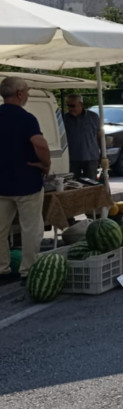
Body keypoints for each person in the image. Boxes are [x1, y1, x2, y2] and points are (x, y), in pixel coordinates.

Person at [0, 77, 51, 283]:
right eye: (27, 91)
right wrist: (45, 165)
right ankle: (28, 270)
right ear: (20, 94)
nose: (28, 94)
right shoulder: (26, 118)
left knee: (0, 229)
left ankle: (2, 269)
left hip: (1, 183)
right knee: (30, 228)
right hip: (27, 183)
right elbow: (40, 145)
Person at [62, 93, 101, 180]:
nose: (70, 108)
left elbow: (99, 136)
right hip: (72, 158)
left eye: (72, 106)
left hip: (90, 157)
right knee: (73, 184)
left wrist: (102, 153)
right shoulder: (64, 119)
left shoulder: (93, 117)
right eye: (68, 106)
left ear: (81, 104)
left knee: (91, 183)